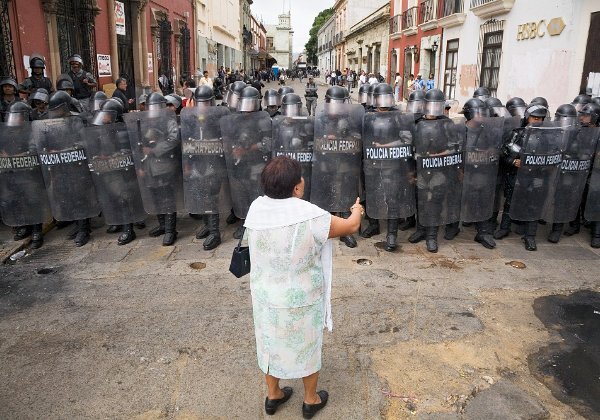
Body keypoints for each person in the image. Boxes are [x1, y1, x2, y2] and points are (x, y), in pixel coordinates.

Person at [244, 156, 363, 419]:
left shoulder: (256, 208)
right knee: (307, 345)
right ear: (297, 187)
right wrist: (357, 210)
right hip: (302, 297)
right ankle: (310, 400)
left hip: (265, 295)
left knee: (269, 343)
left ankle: (273, 395)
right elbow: (351, 226)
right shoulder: (311, 216)